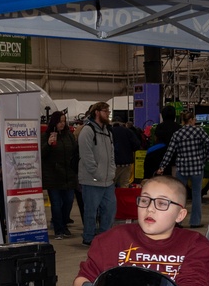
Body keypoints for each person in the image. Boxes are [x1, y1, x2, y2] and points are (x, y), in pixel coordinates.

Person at [74, 175, 209, 286]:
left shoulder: (195, 245)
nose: (150, 209)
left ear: (180, 214)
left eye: (161, 203)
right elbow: (84, 278)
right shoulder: (112, 239)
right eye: (145, 200)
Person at [156, 111, 209, 228]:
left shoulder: (177, 134)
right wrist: (205, 158)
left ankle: (178, 221)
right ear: (191, 120)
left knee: (180, 195)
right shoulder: (199, 131)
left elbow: (170, 152)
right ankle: (195, 222)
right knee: (196, 195)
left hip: (182, 168)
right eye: (194, 119)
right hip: (197, 167)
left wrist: (162, 166)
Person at [78, 101, 116, 246]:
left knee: (110, 210)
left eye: (108, 111)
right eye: (105, 111)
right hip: (91, 180)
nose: (108, 113)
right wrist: (97, 173)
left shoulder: (107, 132)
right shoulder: (87, 131)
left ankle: (104, 237)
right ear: (97, 112)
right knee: (91, 212)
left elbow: (112, 154)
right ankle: (88, 238)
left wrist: (111, 171)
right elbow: (86, 157)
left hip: (108, 180)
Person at [41, 110, 78, 239]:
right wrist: (49, 145)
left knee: (68, 202)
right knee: (56, 204)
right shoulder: (46, 136)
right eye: (59, 121)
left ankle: (64, 224)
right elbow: (41, 154)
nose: (62, 124)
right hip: (53, 176)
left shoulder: (69, 135)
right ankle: (58, 229)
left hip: (69, 175)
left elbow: (74, 151)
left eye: (63, 121)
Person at [111, 121, 141, 188]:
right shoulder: (128, 131)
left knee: (111, 185)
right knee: (124, 184)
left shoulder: (109, 131)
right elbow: (137, 145)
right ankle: (122, 198)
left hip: (113, 164)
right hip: (127, 163)